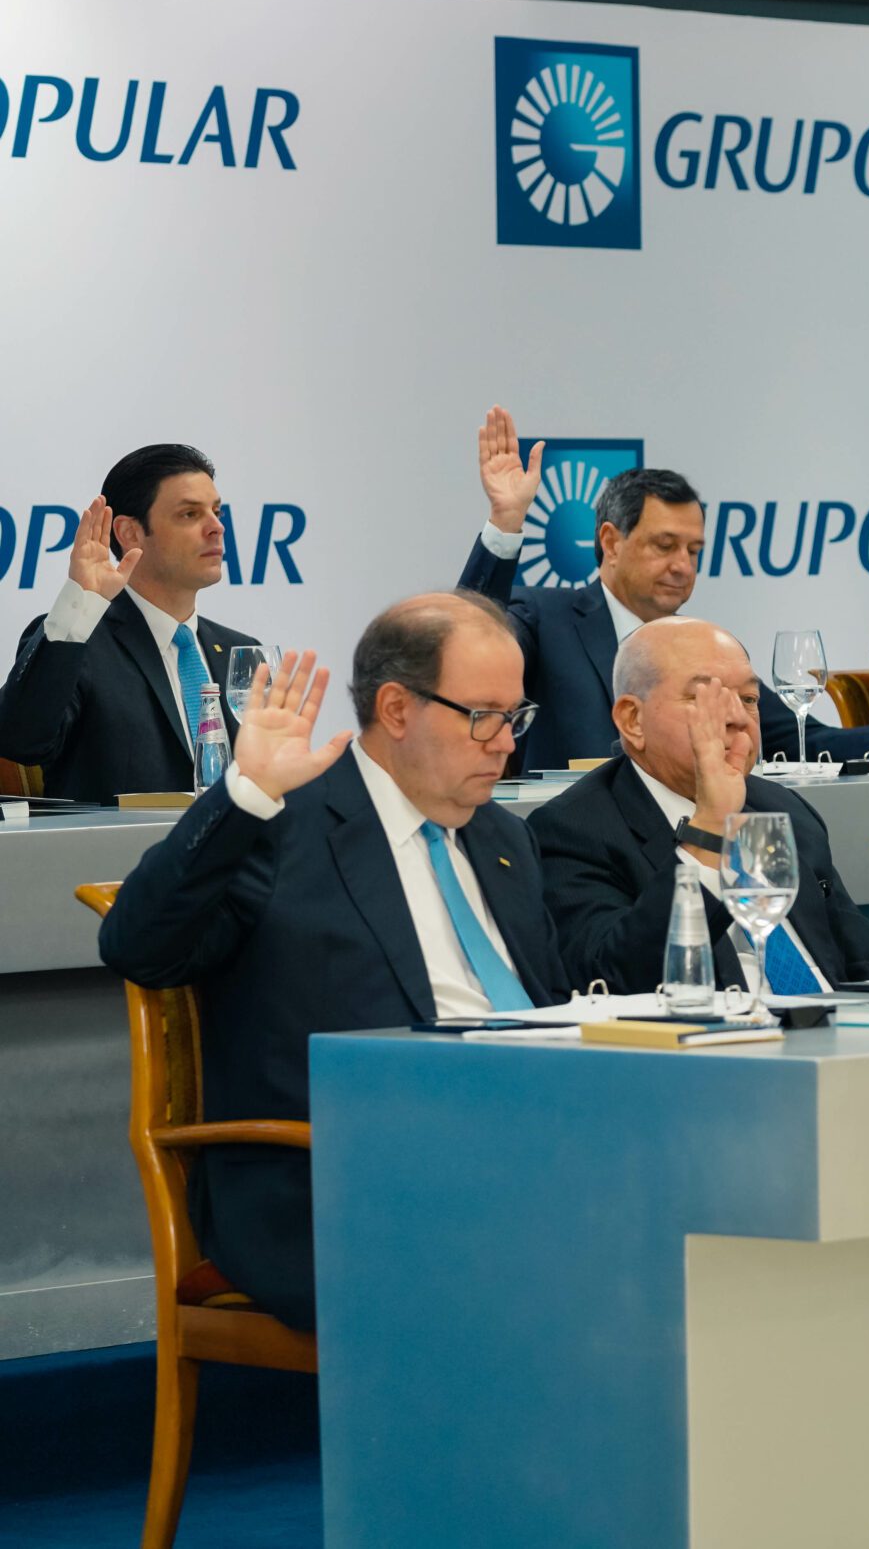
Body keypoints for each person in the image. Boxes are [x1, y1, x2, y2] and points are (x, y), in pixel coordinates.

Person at [97, 596, 576, 1330]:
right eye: (484, 716)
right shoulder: (280, 824)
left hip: (526, 1149)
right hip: (338, 1178)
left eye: (516, 716)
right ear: (397, 708)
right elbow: (136, 945)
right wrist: (243, 794)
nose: (506, 743)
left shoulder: (505, 839)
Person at [459, 410, 869, 771]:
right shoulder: (543, 618)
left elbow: (802, 741)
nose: (683, 566)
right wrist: (505, 523)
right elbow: (464, 644)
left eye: (694, 550)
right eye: (665, 545)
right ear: (611, 542)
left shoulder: (703, 647)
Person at [528, 617, 869, 994]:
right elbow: (613, 979)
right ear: (633, 720)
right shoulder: (573, 831)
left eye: (749, 700)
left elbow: (867, 966)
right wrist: (710, 828)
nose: (738, 718)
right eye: (706, 699)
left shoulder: (782, 808)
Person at [1, 446, 247, 803]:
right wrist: (82, 601)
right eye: (190, 514)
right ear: (130, 533)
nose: (217, 527)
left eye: (217, 511)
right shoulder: (78, 641)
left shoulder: (241, 653)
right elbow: (21, 741)